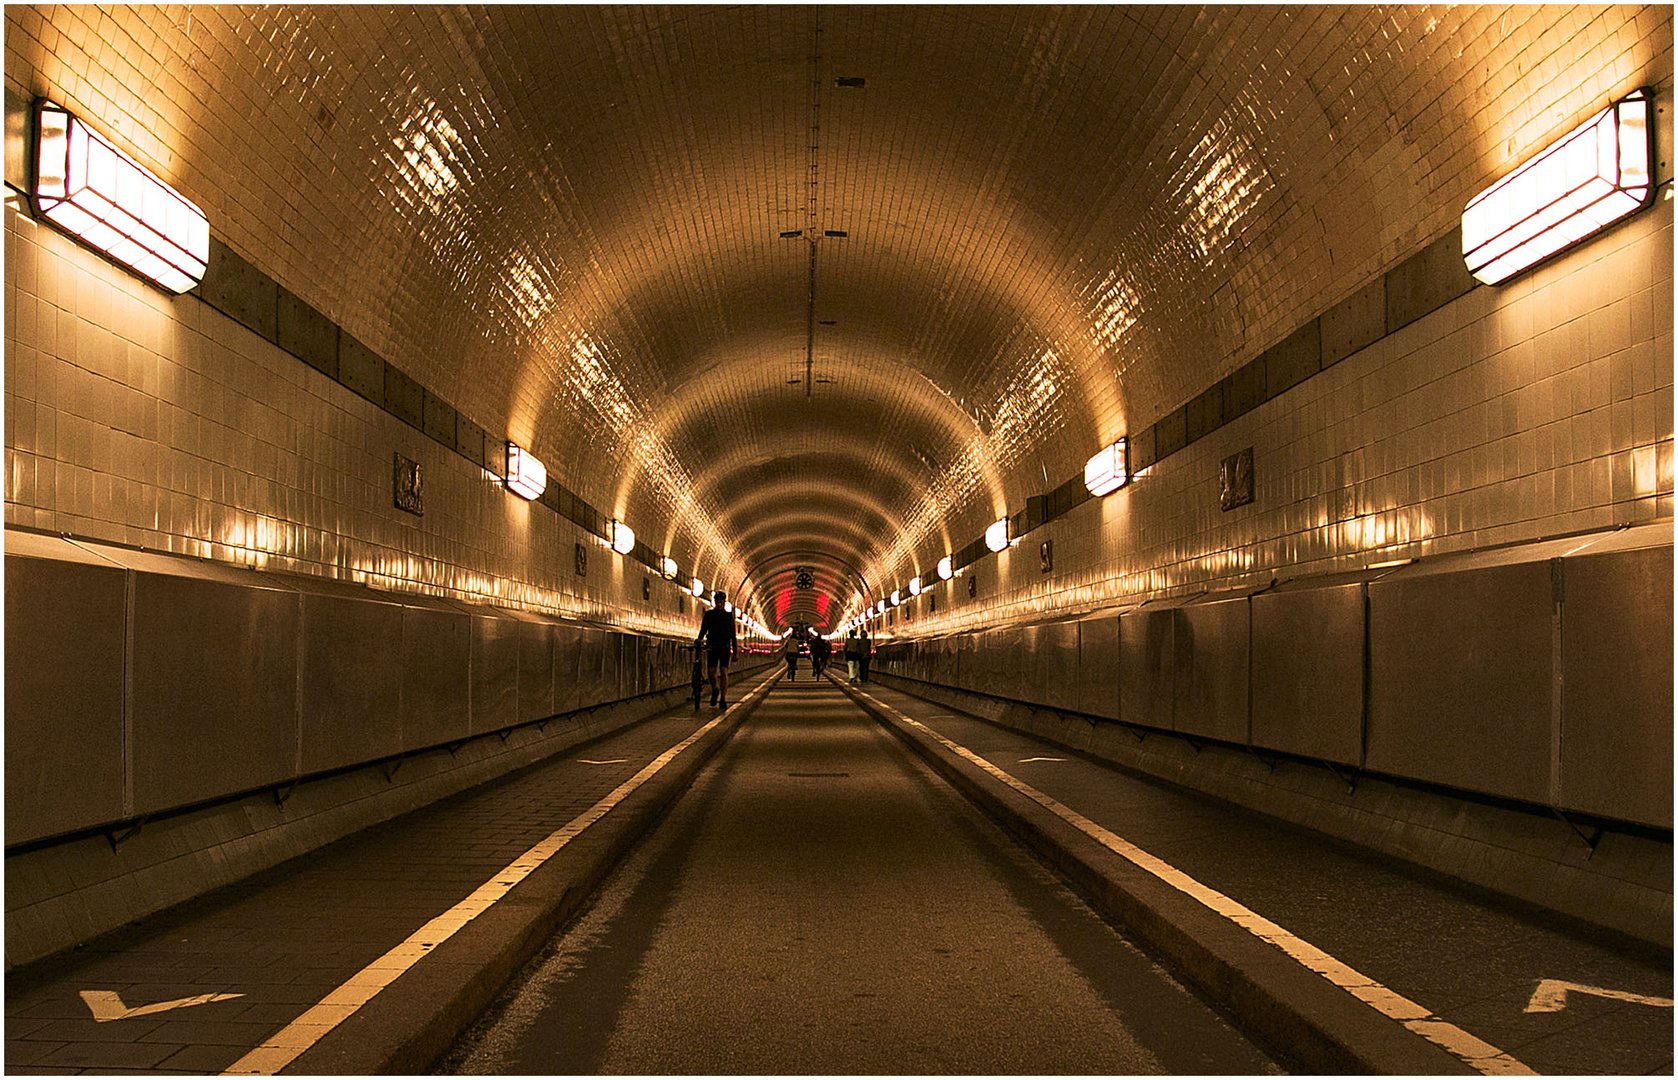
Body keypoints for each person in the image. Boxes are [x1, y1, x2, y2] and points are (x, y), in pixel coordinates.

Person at [694, 591, 737, 707]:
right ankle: (715, 689)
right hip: (712, 646)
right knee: (711, 673)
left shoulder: (728, 616)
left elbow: (733, 635)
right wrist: (699, 639)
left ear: (724, 602)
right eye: (717, 602)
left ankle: (723, 698)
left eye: (721, 602)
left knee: (724, 672)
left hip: (724, 647)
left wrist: (735, 652)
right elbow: (703, 629)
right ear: (714, 602)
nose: (719, 604)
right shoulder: (709, 615)